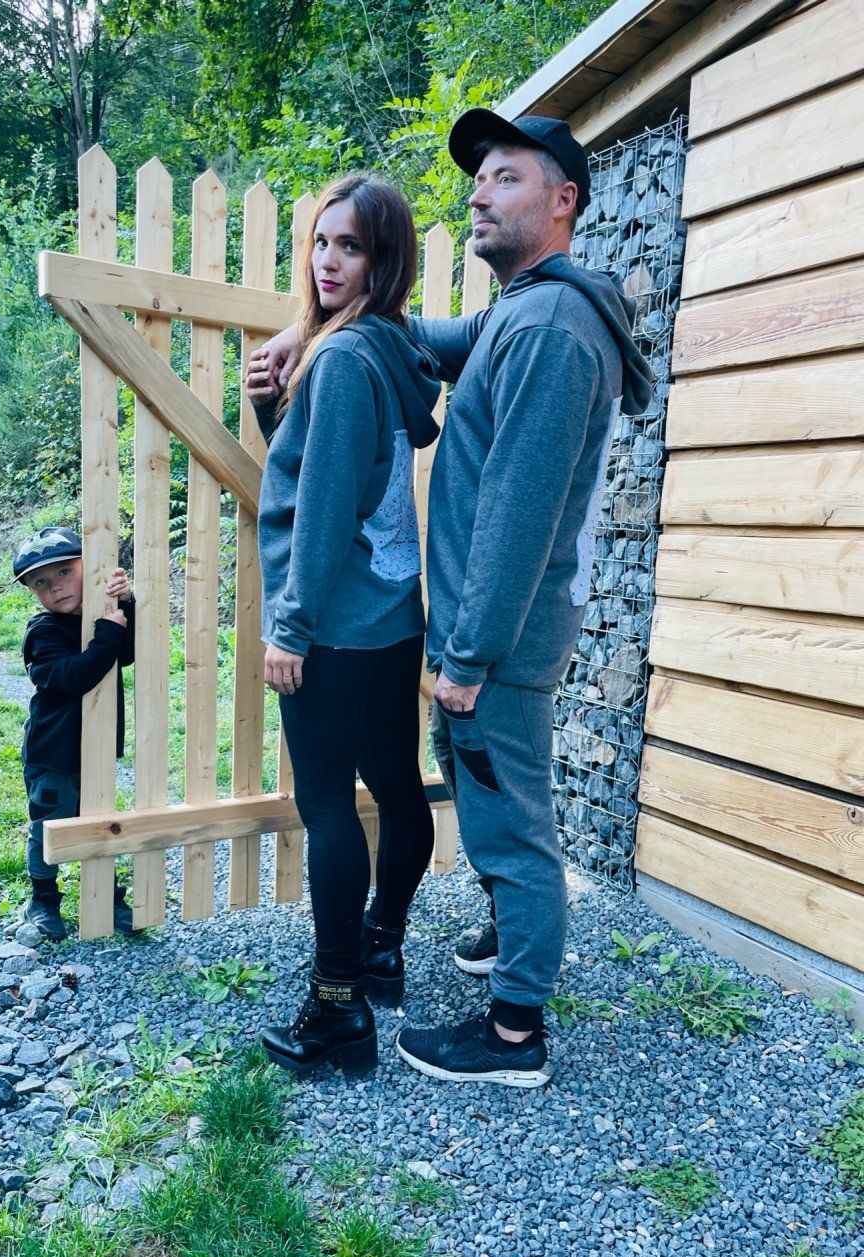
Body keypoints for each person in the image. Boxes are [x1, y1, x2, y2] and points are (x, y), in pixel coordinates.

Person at [249, 112, 652, 1087]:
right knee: (478, 796)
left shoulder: (549, 332)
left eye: (506, 177)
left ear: (562, 201)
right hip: (463, 623)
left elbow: (517, 515)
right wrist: (309, 328)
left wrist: (466, 660)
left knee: (512, 823)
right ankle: (506, 936)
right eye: (480, 178)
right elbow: (420, 335)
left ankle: (513, 1031)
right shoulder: (525, 308)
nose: (479, 193)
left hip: (496, 634)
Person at [246, 173, 442, 1079]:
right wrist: (271, 405)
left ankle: (337, 1006)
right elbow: (331, 470)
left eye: (351, 246)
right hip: (392, 613)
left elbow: (320, 512)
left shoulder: (340, 360)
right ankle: (382, 947)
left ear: (384, 258)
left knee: (327, 806)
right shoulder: (392, 350)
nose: (328, 261)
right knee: (397, 785)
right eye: (322, 242)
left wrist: (291, 626)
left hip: (330, 624)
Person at [13, 526, 138, 941]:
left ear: (89, 568)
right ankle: (43, 901)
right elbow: (72, 677)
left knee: (100, 822)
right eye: (40, 582)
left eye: (65, 572)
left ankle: (107, 897)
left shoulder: (99, 616)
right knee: (49, 824)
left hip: (96, 747)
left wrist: (125, 603)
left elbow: (126, 652)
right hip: (54, 752)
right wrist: (109, 634)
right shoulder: (43, 632)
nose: (55, 587)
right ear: (31, 590)